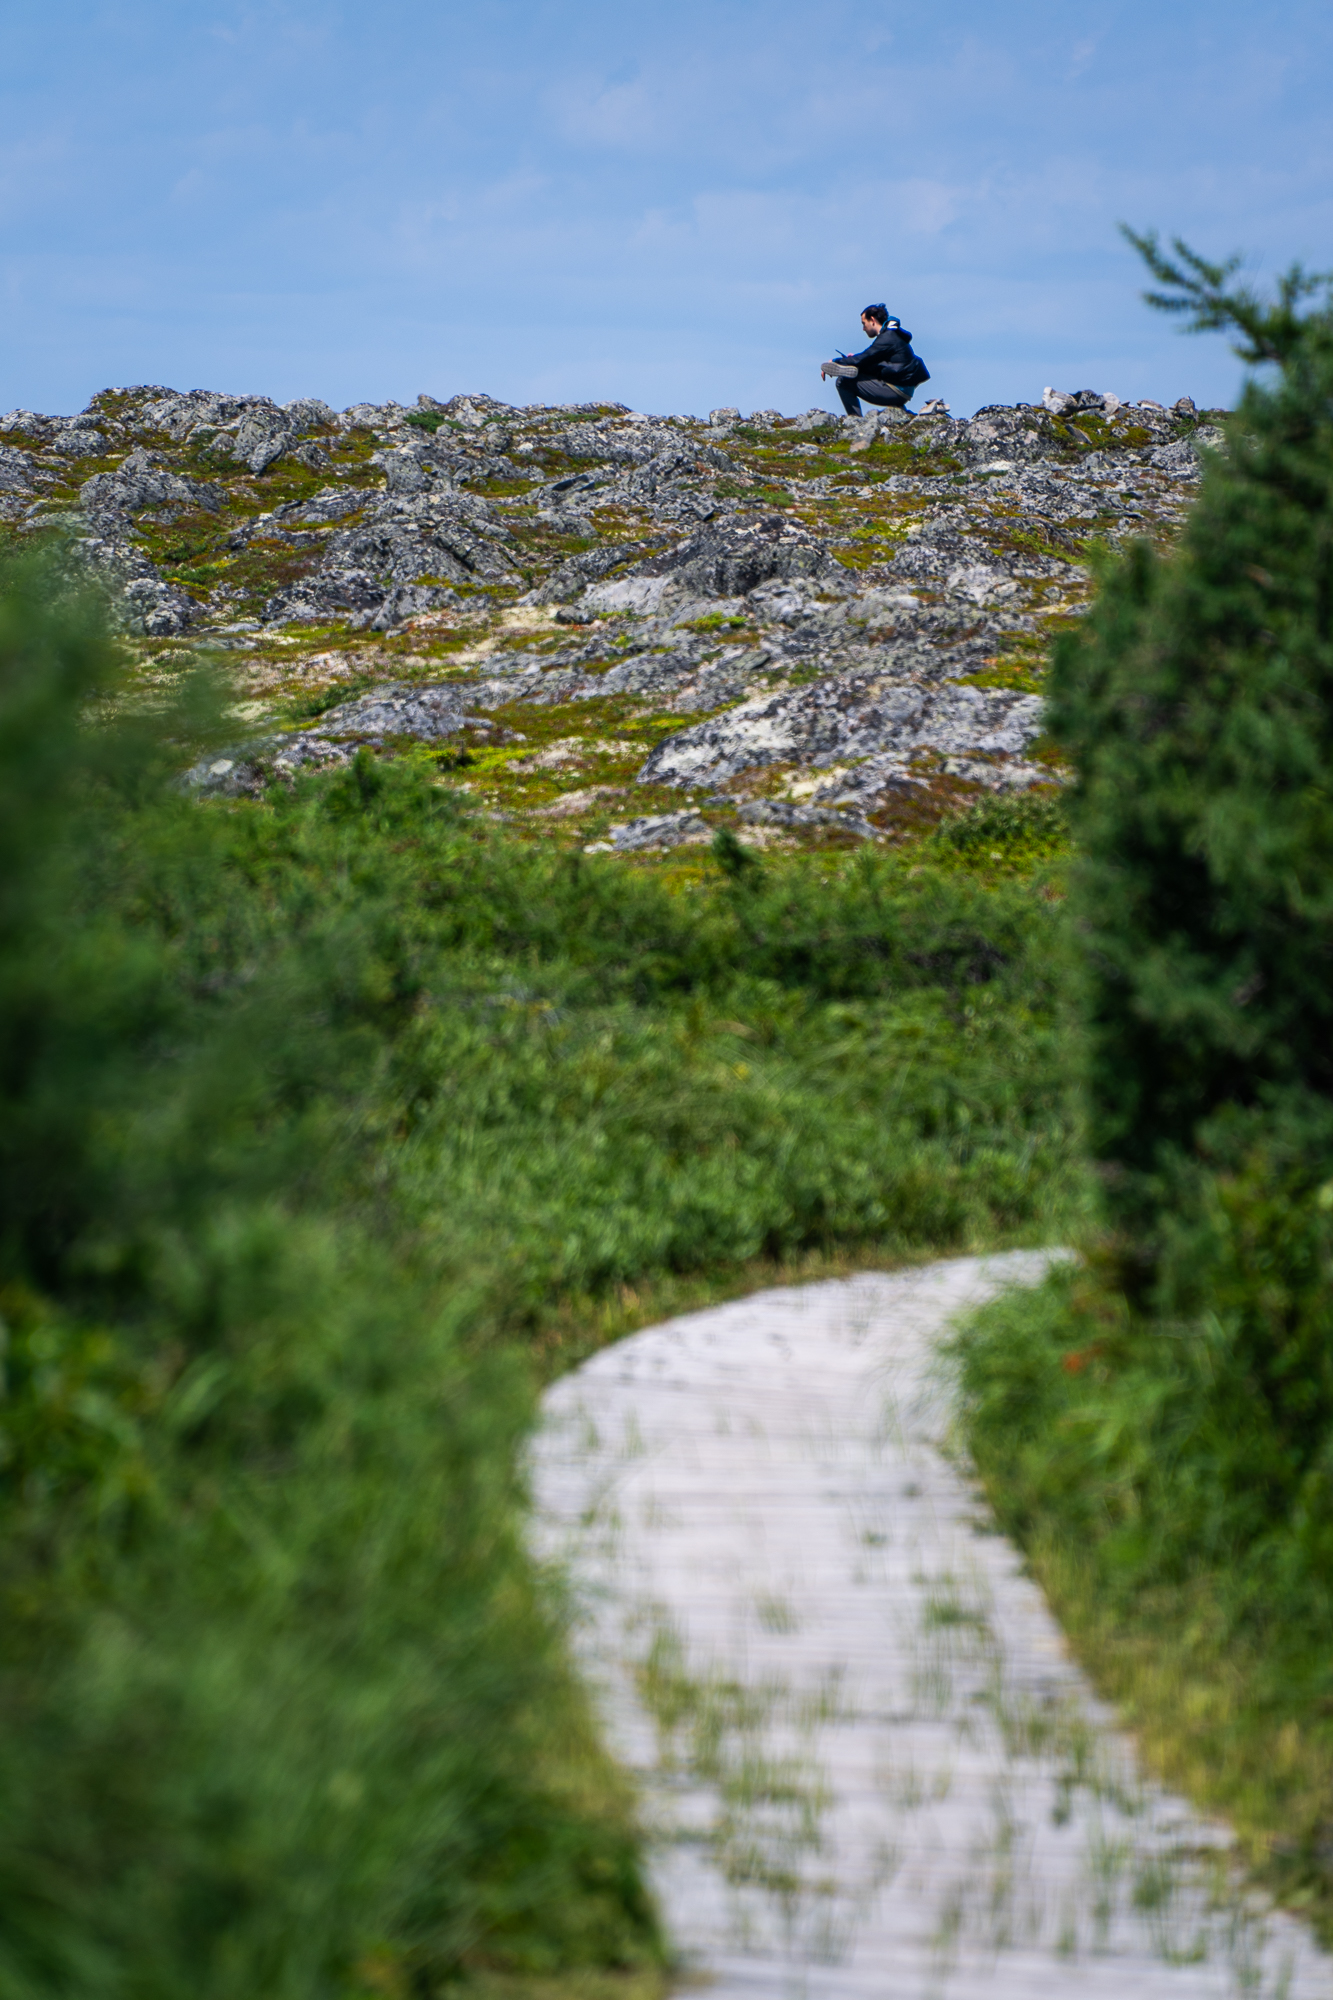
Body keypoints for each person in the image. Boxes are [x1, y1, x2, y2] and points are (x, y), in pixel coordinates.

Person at [821, 306, 924, 416]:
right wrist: (851, 359)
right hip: (902, 389)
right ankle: (897, 409)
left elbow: (865, 357)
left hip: (896, 391)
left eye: (864, 323)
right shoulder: (892, 335)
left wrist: (836, 361)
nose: (863, 329)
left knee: (843, 382)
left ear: (873, 320)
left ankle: (855, 420)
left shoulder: (887, 338)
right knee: (860, 366)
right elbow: (870, 359)